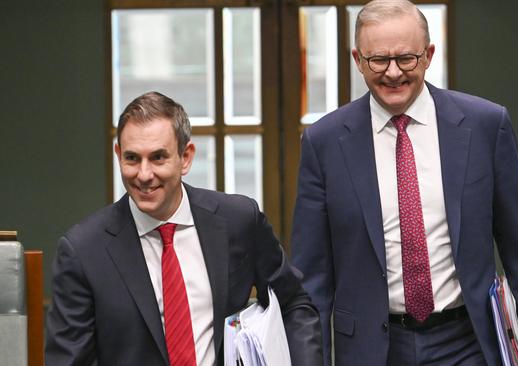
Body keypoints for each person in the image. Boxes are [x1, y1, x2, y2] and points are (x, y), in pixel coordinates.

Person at [290, 1, 518, 365]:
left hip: (469, 341)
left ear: (429, 55)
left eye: (406, 59)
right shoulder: (324, 142)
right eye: (378, 60)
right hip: (372, 348)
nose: (393, 73)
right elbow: (312, 278)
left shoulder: (484, 126)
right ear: (357, 59)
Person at [45, 91, 323, 365]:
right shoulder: (83, 251)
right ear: (118, 155)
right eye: (132, 158)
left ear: (186, 157)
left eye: (157, 158)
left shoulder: (238, 221)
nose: (143, 174)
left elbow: (294, 304)